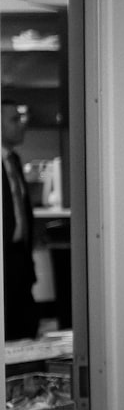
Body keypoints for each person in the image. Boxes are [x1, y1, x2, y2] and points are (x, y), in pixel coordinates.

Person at [2, 102, 39, 341]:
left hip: (19, 259)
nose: (22, 125)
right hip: (2, 260)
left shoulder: (13, 160)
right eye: (14, 120)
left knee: (25, 326)